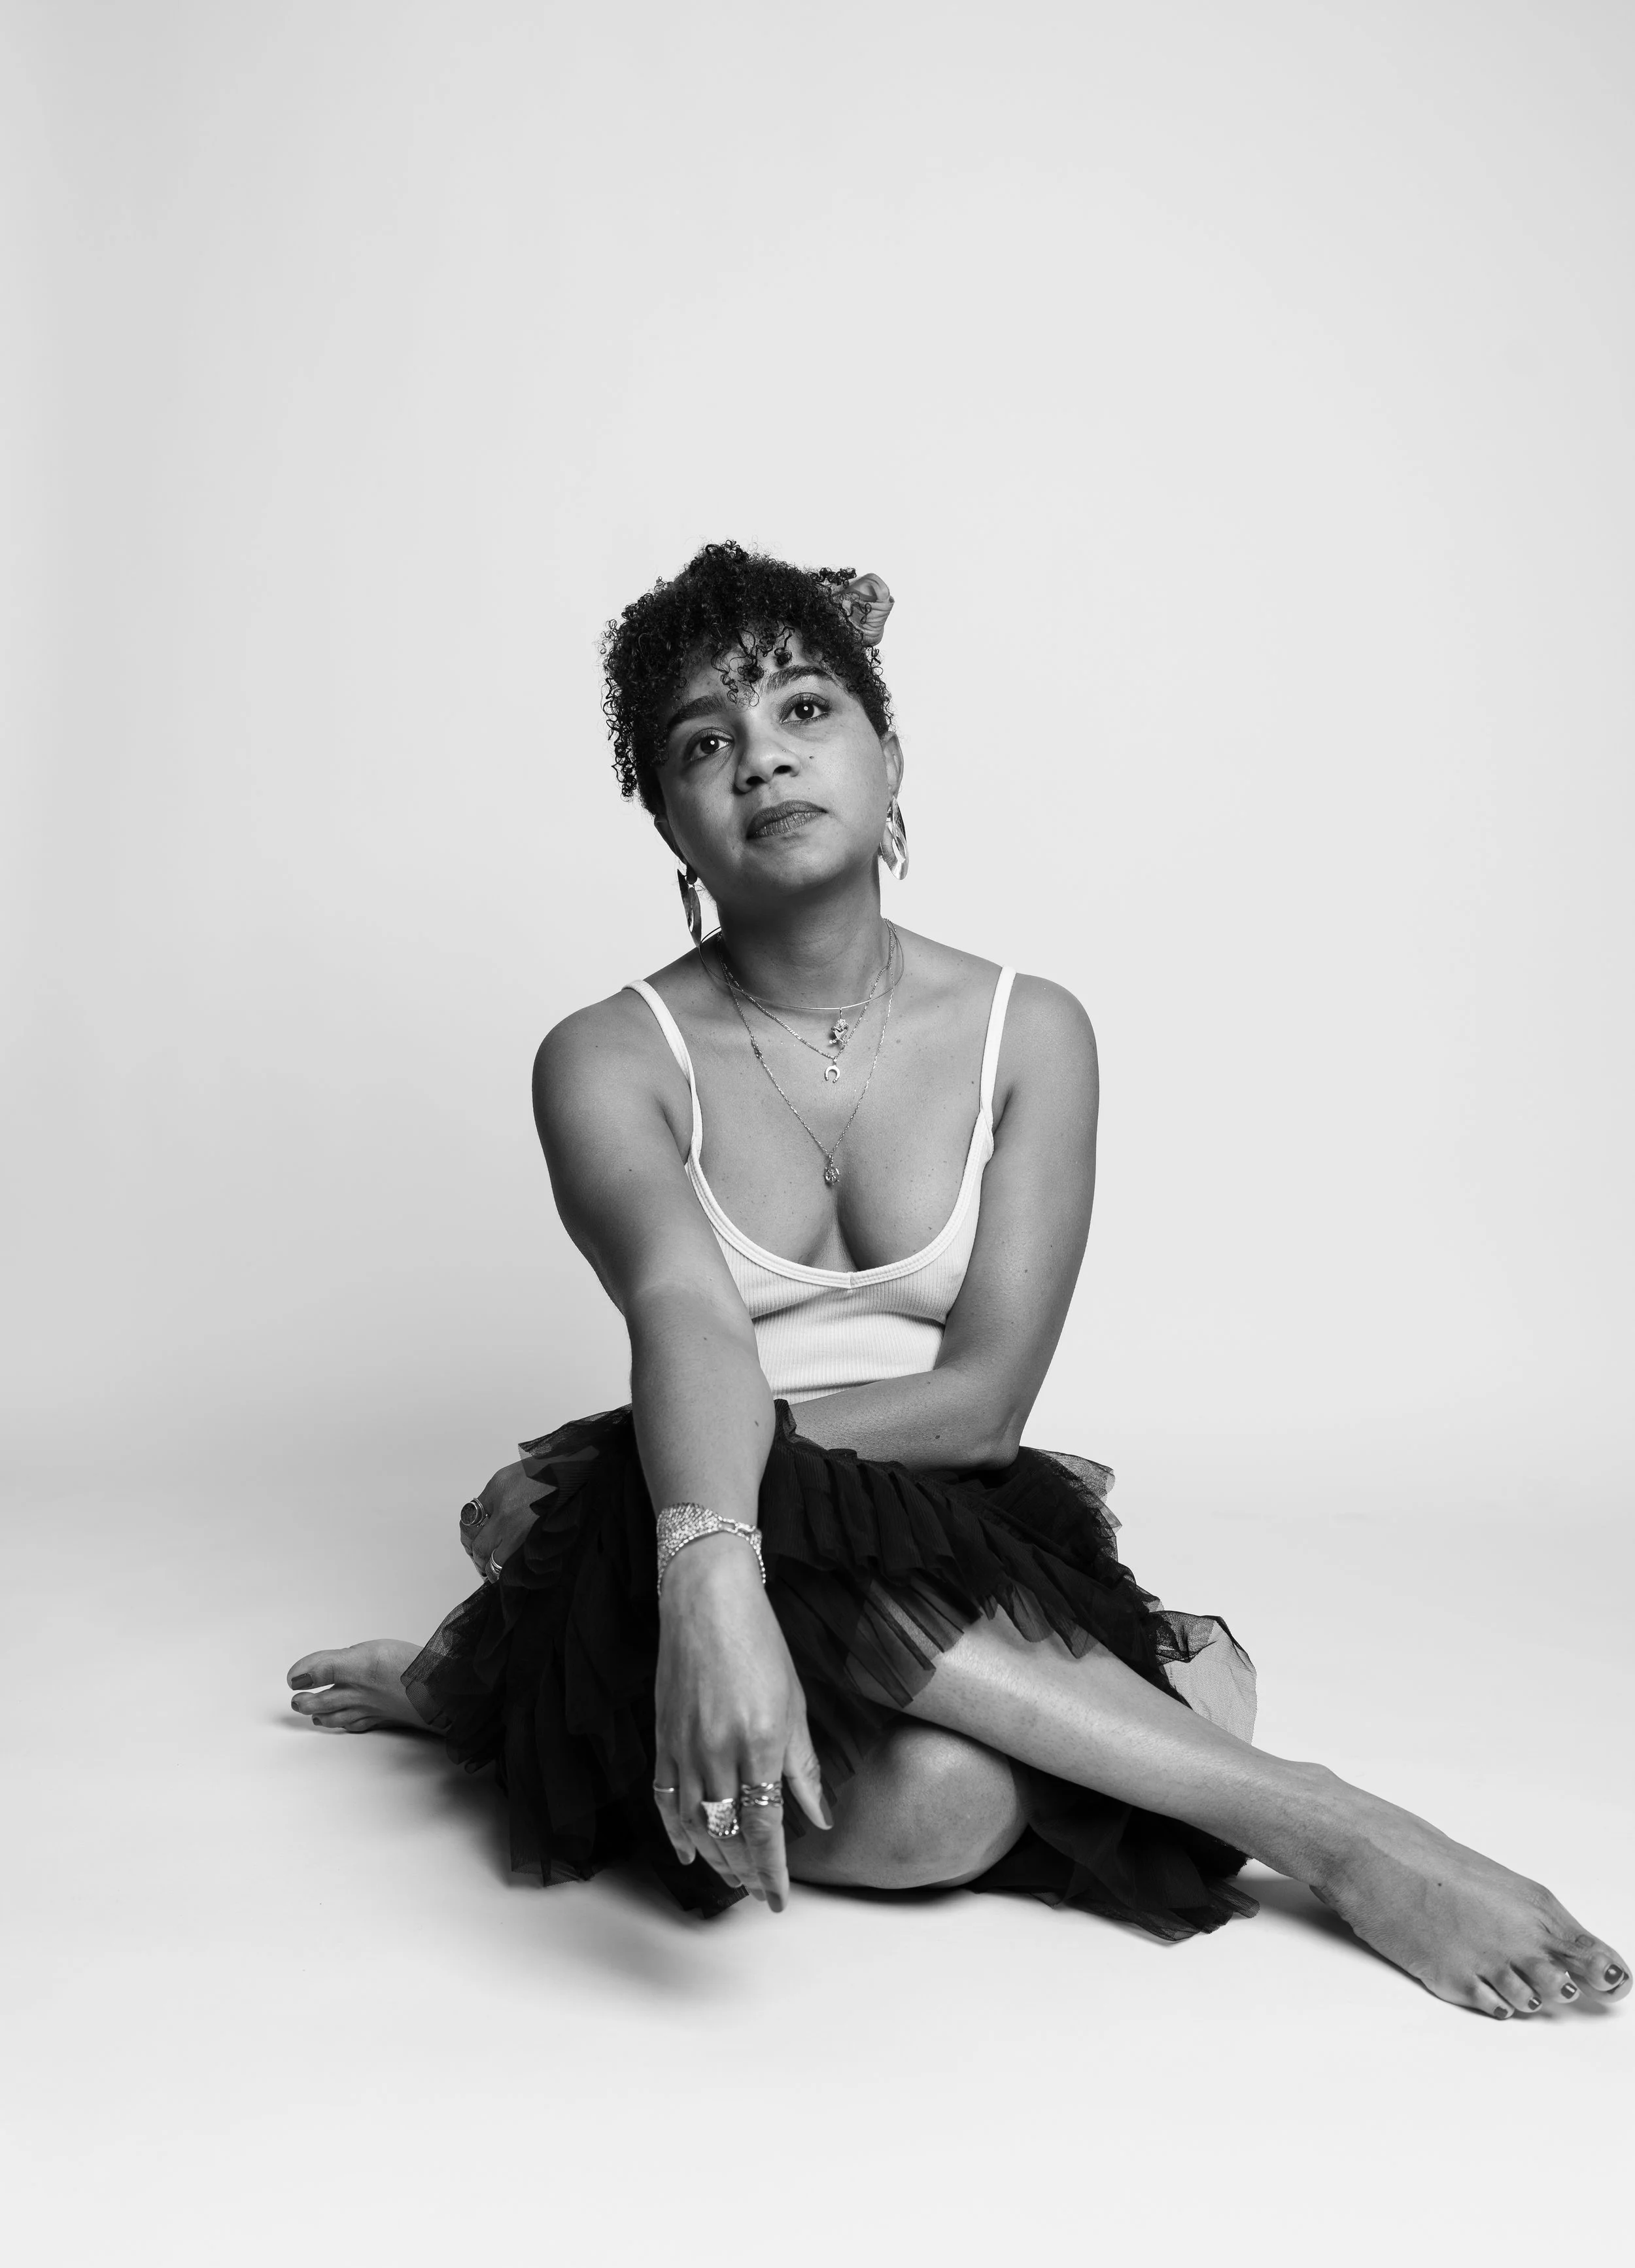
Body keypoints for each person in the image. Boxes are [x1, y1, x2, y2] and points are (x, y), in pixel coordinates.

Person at [287, 540, 1627, 2019]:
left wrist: (665, 1471)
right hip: (697, 1527)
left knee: (943, 1793)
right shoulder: (606, 1057)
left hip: (904, 1497)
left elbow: (983, 1402)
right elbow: (685, 1315)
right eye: (704, 745)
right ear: (668, 822)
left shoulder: (1029, 1030)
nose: (762, 760)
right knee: (941, 1814)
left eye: (806, 710)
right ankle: (1317, 1819)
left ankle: (1327, 1825)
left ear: (889, 756)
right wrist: (699, 1531)